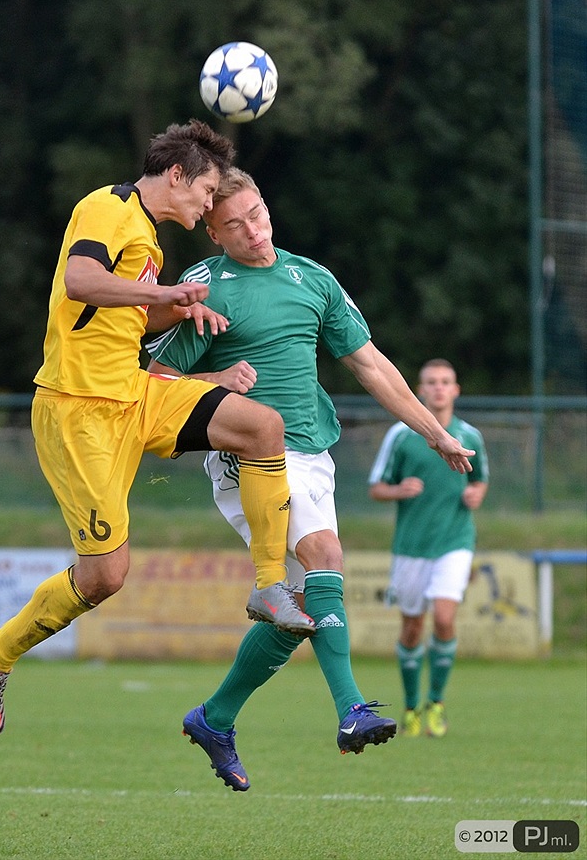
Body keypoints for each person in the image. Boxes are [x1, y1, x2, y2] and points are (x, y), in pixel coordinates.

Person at [0, 121, 317, 738]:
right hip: (77, 409)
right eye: (206, 192)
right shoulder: (107, 206)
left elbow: (118, 309)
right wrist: (170, 291)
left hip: (133, 393)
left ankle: (268, 588)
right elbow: (82, 281)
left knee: (262, 427)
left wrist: (176, 306)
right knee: (105, 576)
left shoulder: (148, 237)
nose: (210, 205)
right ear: (177, 175)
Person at [145, 168, 476, 790]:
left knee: (294, 614)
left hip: (311, 456)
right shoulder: (203, 287)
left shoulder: (313, 279)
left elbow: (371, 365)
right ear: (212, 234)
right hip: (246, 455)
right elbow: (151, 384)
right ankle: (351, 709)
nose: (253, 230)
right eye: (234, 224)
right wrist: (215, 383)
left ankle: (215, 718)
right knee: (326, 554)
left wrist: (433, 433)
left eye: (258, 213)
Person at [368, 358, 489, 738]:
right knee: (412, 627)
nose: (439, 388)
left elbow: (481, 480)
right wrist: (398, 491)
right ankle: (410, 708)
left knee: (444, 618)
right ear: (419, 390)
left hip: (455, 541)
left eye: (446, 382)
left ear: (456, 390)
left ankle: (436, 703)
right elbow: (376, 487)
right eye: (431, 382)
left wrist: (475, 495)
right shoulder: (401, 436)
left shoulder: (470, 436)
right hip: (411, 547)